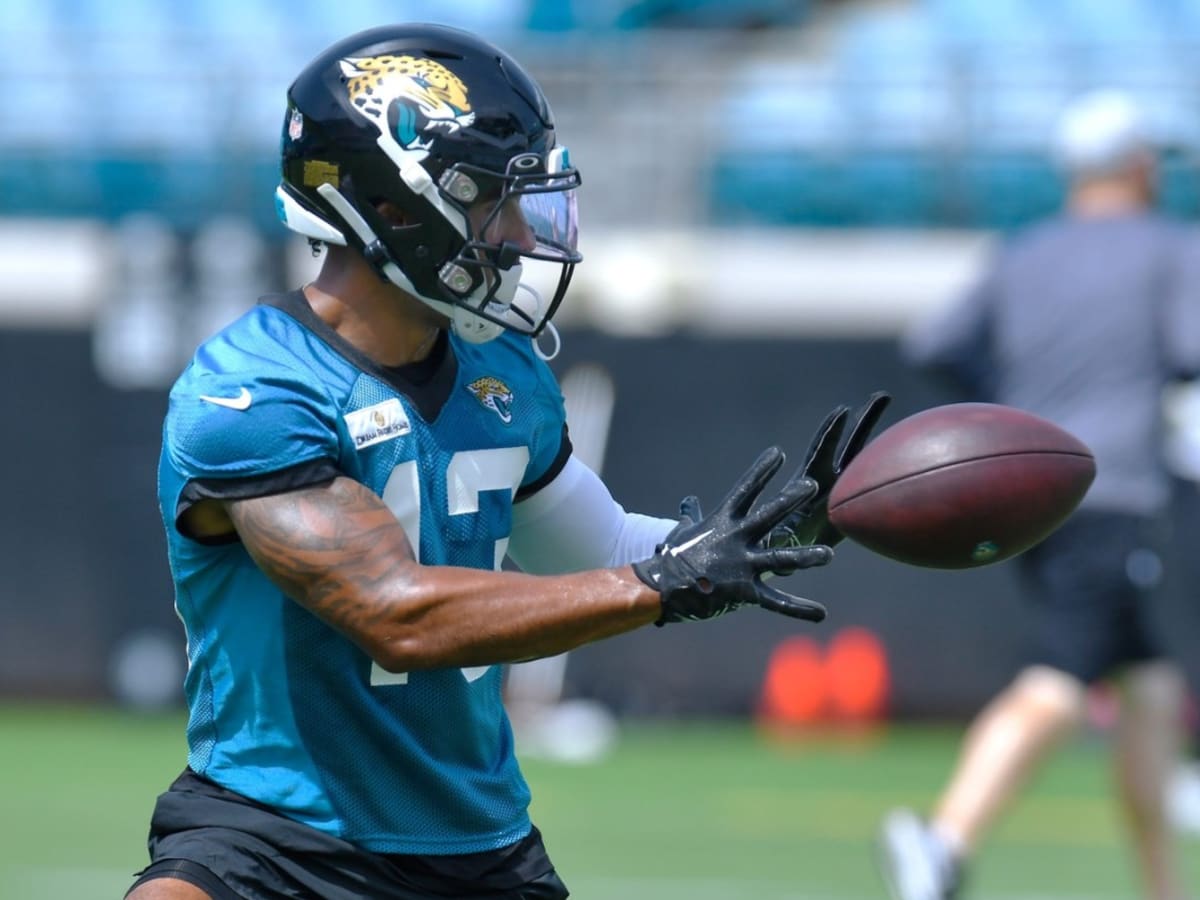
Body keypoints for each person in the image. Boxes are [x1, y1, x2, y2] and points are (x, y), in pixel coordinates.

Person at [124, 23, 890, 900]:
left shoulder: (505, 373)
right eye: (494, 198)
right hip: (275, 834)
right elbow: (392, 611)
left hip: (477, 845)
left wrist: (739, 540)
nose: (523, 231)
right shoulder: (252, 389)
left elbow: (602, 554)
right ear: (396, 207)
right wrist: (668, 582)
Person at [877, 89, 1200, 900]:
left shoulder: (1024, 252)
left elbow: (935, 339)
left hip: (1035, 498)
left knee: (1151, 689)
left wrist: (1014, 423)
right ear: (1135, 165)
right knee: (1060, 679)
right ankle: (943, 845)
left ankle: (1164, 888)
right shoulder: (1169, 247)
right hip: (1113, 491)